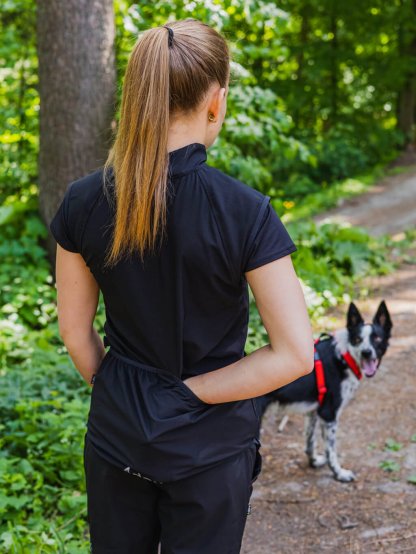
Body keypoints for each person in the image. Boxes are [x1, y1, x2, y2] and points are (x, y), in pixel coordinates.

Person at [49, 18, 314, 554]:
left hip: (117, 438)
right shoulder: (245, 212)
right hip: (210, 453)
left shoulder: (84, 201)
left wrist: (131, 397)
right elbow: (295, 354)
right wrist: (187, 394)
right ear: (216, 102)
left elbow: (76, 335)